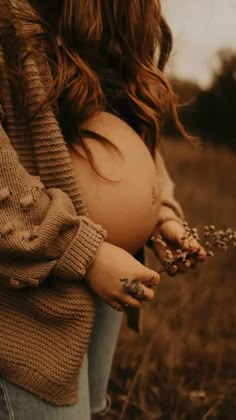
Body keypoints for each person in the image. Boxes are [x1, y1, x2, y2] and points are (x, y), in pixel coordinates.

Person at [0, 0, 205, 418]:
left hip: (106, 271)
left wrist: (160, 212)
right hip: (30, 291)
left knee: (90, 408)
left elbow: (125, 123)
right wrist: (81, 251)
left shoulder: (120, 16)